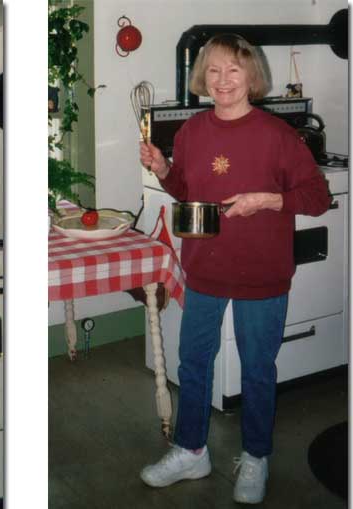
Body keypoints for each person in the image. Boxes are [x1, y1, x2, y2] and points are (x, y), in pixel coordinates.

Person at [138, 34, 330, 504]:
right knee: (194, 362)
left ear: (251, 77)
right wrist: (164, 169)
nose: (223, 80)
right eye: (214, 70)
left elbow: (318, 197)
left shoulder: (278, 136)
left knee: (258, 369)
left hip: (262, 272)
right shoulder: (191, 131)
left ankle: (256, 455)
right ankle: (191, 449)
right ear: (203, 77)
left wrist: (268, 200)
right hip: (204, 268)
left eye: (234, 70)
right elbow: (188, 189)